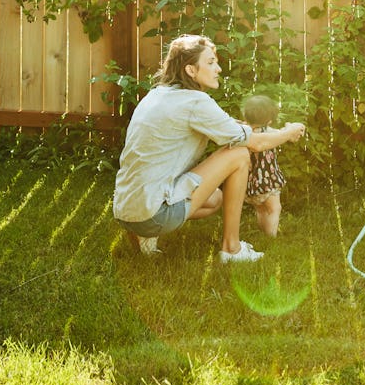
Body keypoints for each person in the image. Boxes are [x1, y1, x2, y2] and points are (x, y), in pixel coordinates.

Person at [113, 34, 306, 262]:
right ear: (191, 71)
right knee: (239, 153)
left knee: (214, 199)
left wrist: (269, 131)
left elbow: (230, 126)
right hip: (154, 213)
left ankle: (142, 233)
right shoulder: (196, 102)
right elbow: (256, 143)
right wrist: (288, 133)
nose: (219, 69)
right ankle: (231, 249)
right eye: (211, 62)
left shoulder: (157, 95)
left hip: (125, 210)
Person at [242, 95, 288, 237]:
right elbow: (284, 135)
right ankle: (271, 236)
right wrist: (289, 128)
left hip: (251, 182)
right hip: (268, 181)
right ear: (269, 120)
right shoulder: (269, 133)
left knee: (261, 209)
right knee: (274, 208)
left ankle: (263, 231)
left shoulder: (244, 132)